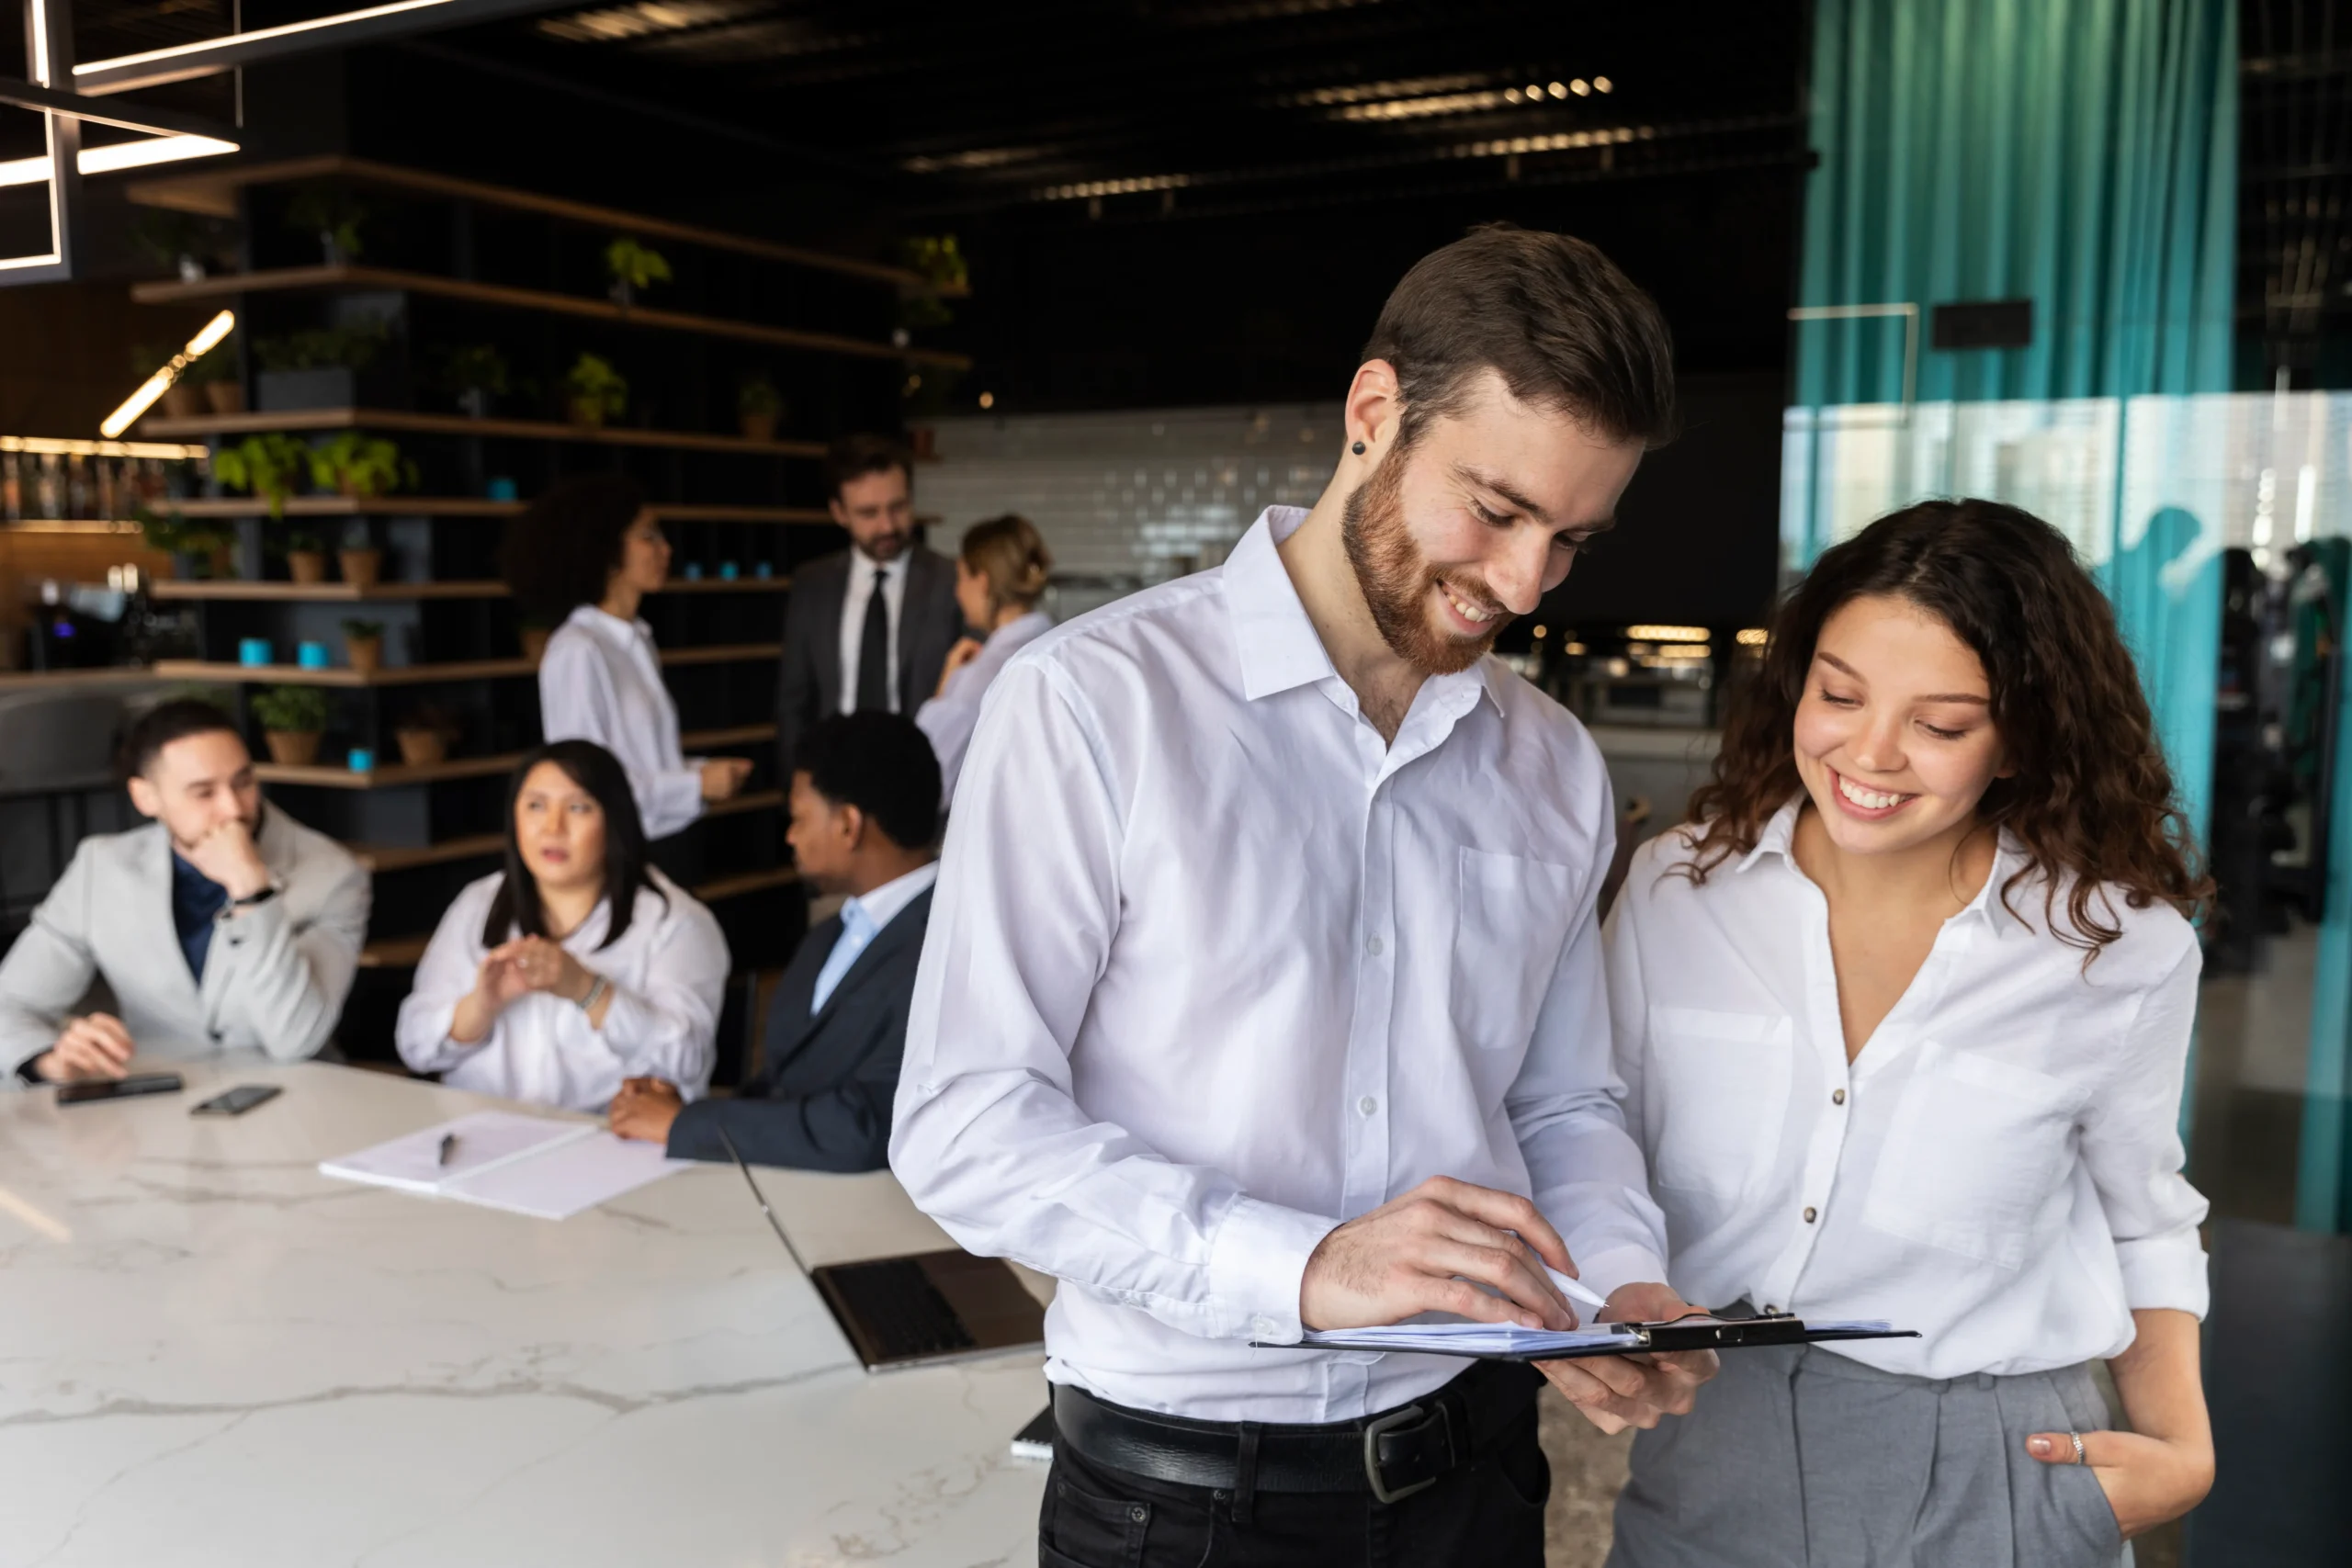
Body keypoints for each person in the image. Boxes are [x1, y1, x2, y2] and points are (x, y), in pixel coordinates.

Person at [889, 224, 1713, 1568]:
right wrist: (1305, 1265)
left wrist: (1611, 1287)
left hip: (1481, 1468)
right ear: (1374, 414)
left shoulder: (1551, 761)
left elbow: (1563, 1098)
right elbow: (964, 1120)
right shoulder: (1095, 704)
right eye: (1496, 511)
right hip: (1181, 1499)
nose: (1521, 584)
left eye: (1570, 539)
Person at [1603, 501, 2216, 1567]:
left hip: (1995, 1461)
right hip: (1715, 1443)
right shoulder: (1675, 891)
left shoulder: (2120, 948)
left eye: (1939, 725)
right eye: (1839, 695)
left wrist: (2181, 1447)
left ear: (2022, 735)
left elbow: (2145, 1217)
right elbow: (1591, 1128)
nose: (1869, 754)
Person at [610, 713, 938, 1169]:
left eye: (798, 818)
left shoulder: (948, 939)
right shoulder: (828, 937)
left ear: (848, 825)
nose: (790, 836)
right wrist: (681, 1108)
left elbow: (871, 1124)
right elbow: (784, 1085)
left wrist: (688, 1124)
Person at [0, 697, 370, 1083]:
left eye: (243, 782)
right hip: (160, 1108)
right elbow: (9, 1003)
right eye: (203, 793)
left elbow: (296, 1040)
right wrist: (46, 1059)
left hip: (304, 1105)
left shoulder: (334, 876)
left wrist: (252, 891)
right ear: (146, 797)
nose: (233, 809)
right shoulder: (102, 867)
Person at [395, 740, 728, 1111]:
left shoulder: (676, 923)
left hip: (609, 1145)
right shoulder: (478, 904)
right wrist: (480, 1007)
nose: (553, 827)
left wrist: (589, 991)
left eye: (578, 808)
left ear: (614, 819)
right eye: (536, 806)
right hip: (483, 1140)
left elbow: (688, 1061)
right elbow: (415, 1047)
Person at [507, 474, 754, 855]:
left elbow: (640, 761)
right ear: (606, 553)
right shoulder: (578, 650)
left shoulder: (636, 639)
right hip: (622, 854)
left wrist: (700, 772)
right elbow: (586, 782)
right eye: (648, 536)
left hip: (669, 843)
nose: (665, 549)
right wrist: (697, 785)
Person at [775, 434, 962, 778]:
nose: (887, 526)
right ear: (839, 512)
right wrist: (798, 792)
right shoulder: (812, 585)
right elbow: (794, 702)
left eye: (898, 507)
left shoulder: (951, 581)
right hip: (834, 781)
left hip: (922, 784)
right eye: (868, 513)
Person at [915, 513, 1055, 808]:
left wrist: (945, 688)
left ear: (982, 582)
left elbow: (924, 783)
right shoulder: (1063, 647)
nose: (957, 590)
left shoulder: (980, 674)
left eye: (961, 577)